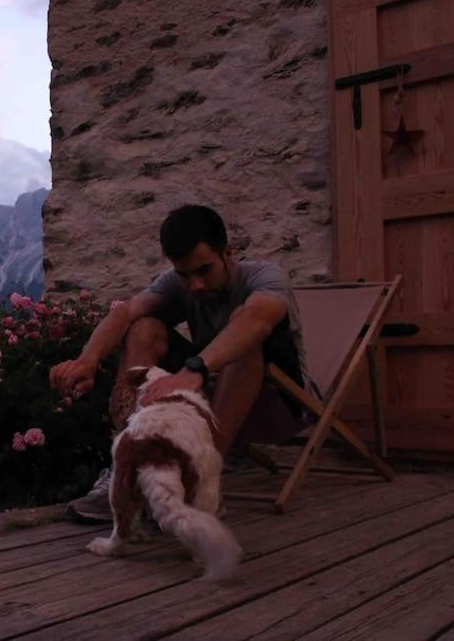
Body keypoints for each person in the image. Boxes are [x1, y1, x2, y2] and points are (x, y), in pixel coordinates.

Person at [49, 204, 313, 521]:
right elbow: (126, 312)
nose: (195, 285)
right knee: (144, 328)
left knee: (243, 332)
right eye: (184, 274)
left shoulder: (265, 277)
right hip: (211, 396)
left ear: (228, 253)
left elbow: (256, 320)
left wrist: (195, 370)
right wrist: (87, 361)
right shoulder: (181, 283)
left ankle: (202, 479)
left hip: (278, 404)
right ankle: (133, 465)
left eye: (204, 270)